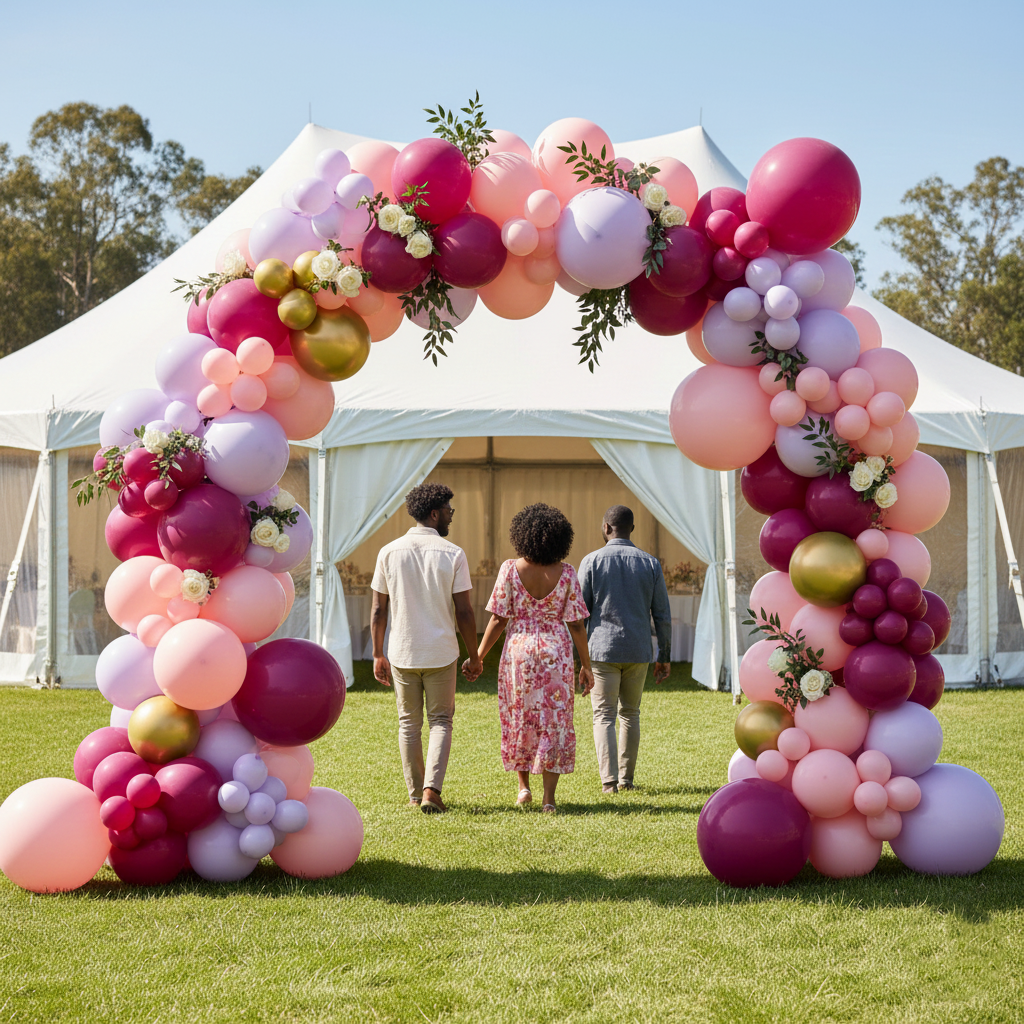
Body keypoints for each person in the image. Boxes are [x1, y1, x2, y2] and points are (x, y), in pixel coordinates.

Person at [467, 503, 593, 814]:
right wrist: (587, 666)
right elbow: (576, 623)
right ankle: (549, 798)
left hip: (519, 652)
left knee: (521, 717)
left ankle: (523, 788)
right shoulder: (566, 573)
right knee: (554, 721)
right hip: (556, 651)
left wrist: (478, 657)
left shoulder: (510, 569)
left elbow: (498, 620)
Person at [371, 483, 482, 814]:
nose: (451, 516)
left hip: (403, 651)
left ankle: (416, 794)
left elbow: (378, 609)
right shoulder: (453, 553)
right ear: (435, 513)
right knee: (440, 721)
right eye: (449, 510)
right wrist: (474, 655)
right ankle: (433, 790)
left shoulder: (388, 551)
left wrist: (378, 652)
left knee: (408, 723)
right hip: (441, 651)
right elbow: (464, 611)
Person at [578, 505, 671, 794]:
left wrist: (578, 661)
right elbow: (662, 615)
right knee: (630, 713)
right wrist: (664, 656)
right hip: (637, 649)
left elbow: (578, 615)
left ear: (606, 528)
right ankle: (626, 780)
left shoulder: (591, 561)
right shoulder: (651, 563)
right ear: (632, 528)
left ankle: (609, 781)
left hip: (601, 650)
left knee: (603, 715)